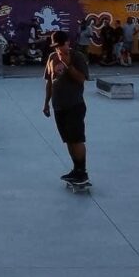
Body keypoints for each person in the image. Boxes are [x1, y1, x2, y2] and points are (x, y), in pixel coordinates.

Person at [43, 30, 91, 188]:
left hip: (74, 105)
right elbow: (50, 81)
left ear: (68, 43)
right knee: (68, 140)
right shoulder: (51, 57)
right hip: (58, 105)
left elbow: (81, 78)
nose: (58, 49)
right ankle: (76, 169)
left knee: (76, 139)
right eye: (56, 46)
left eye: (61, 46)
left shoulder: (77, 57)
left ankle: (82, 171)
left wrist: (67, 64)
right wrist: (46, 103)